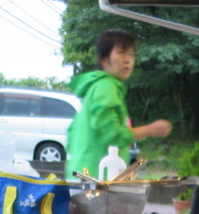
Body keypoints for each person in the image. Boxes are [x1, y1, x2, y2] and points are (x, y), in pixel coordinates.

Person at [66, 29, 172, 179]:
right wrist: (151, 129)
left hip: (86, 175)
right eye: (121, 53)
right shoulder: (106, 87)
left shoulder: (99, 87)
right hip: (94, 178)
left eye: (131, 54)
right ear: (103, 60)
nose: (128, 59)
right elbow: (112, 135)